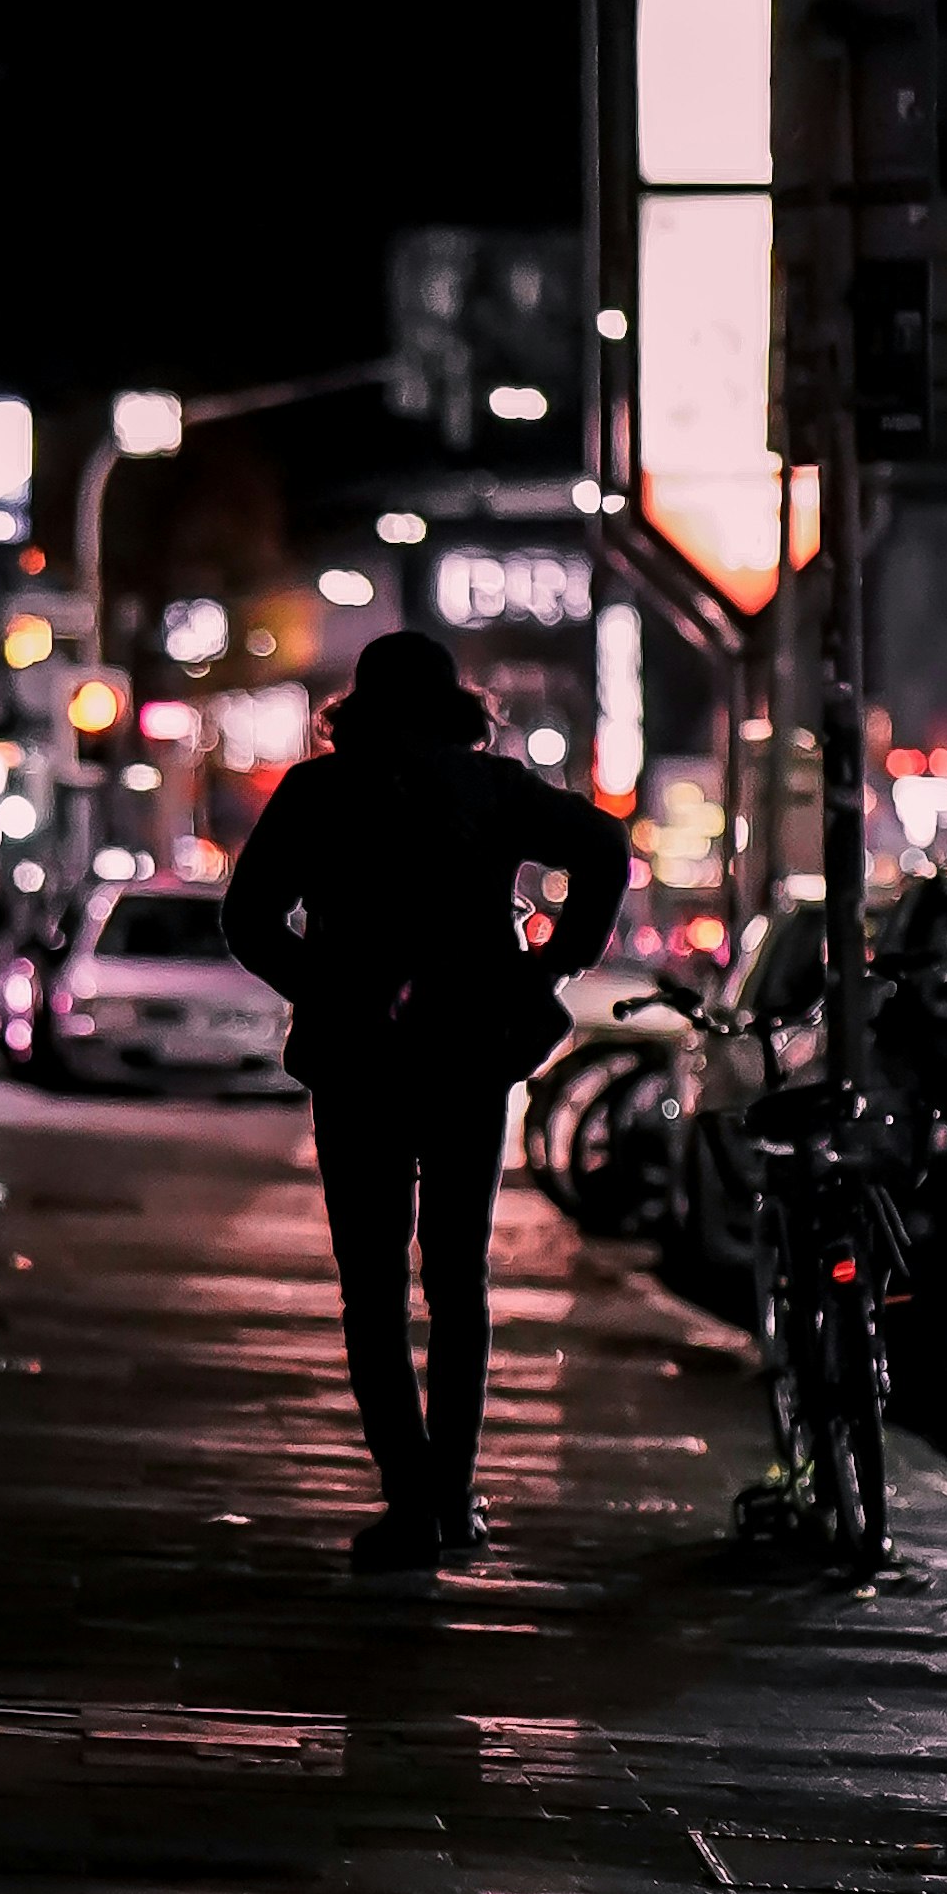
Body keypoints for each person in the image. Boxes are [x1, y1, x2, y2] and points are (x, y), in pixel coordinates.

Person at [221, 629, 631, 1568]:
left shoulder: (319, 792)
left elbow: (248, 918)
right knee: (459, 1279)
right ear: (456, 708)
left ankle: (409, 1495)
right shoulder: (490, 788)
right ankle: (454, 1497)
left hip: (357, 1059)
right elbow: (603, 846)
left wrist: (322, 983)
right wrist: (554, 959)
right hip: (467, 1053)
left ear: (356, 708)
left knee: (371, 1287)